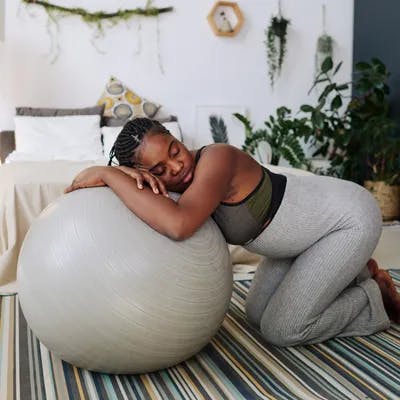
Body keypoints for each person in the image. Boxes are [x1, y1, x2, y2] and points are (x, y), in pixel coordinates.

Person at [65, 117, 400, 346]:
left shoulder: (217, 160)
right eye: (158, 170)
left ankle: (374, 299)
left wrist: (109, 176)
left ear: (178, 139)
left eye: (174, 151)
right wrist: (115, 172)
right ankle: (352, 273)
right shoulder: (177, 186)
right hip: (299, 243)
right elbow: (90, 186)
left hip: (347, 219)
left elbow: (178, 225)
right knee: (254, 317)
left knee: (282, 330)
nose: (177, 166)